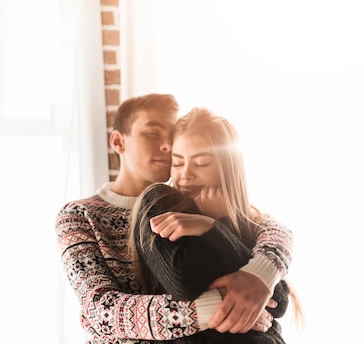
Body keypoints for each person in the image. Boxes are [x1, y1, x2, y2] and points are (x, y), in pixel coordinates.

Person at [55, 94, 294, 343]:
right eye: (152, 134)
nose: (168, 146)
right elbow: (102, 312)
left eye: (172, 136)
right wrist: (227, 307)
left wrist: (259, 274)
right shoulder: (79, 216)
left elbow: (277, 233)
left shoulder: (198, 200)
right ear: (118, 141)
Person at [128, 107, 303, 343]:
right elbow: (185, 280)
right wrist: (215, 231)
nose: (186, 174)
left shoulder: (247, 220)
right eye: (178, 163)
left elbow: (278, 300)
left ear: (226, 168)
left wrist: (215, 225)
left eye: (201, 164)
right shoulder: (160, 202)